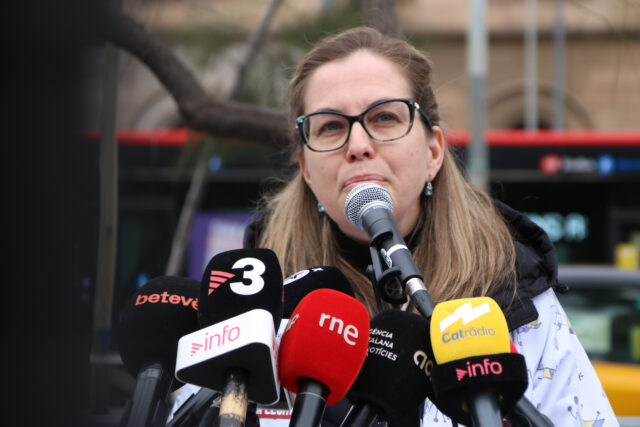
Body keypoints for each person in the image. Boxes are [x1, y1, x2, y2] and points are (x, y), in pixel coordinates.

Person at [241, 27, 617, 426]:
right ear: (306, 169)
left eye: (384, 117)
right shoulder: (255, 304)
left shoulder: (513, 288)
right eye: (330, 126)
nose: (358, 145)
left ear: (434, 152)